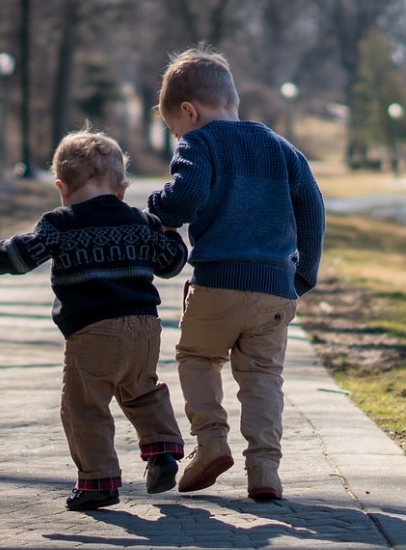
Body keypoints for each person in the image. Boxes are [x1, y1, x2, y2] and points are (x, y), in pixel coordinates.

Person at [0, 127, 188, 511]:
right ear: (121, 188)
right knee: (143, 390)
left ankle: (98, 482)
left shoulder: (59, 223)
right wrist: (170, 231)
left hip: (93, 331)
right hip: (145, 328)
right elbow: (170, 263)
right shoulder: (139, 221)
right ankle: (162, 451)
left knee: (84, 406)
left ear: (61, 186)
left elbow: (20, 256)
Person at [147, 45, 325, 501]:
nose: (177, 136)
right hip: (274, 289)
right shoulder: (279, 147)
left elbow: (184, 199)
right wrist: (303, 274)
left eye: (174, 128)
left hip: (217, 283)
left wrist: (157, 207)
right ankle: (264, 469)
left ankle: (210, 443)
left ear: (190, 111)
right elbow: (313, 209)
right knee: (263, 376)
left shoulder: (199, 142)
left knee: (197, 358)